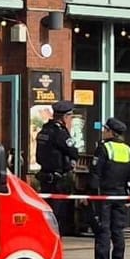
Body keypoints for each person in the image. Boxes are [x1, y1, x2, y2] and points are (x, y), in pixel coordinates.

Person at [89, 116, 130, 259]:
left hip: (104, 195)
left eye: (105, 129)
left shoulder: (104, 148)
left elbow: (96, 173)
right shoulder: (128, 150)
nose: (103, 132)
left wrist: (92, 195)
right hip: (121, 195)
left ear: (111, 132)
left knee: (103, 229)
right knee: (118, 230)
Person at [35, 102, 81, 245]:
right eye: (70, 116)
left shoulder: (44, 130)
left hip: (45, 179)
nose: (71, 120)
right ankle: (56, 254)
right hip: (58, 181)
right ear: (65, 117)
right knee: (58, 220)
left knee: (47, 217)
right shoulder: (59, 132)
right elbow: (73, 151)